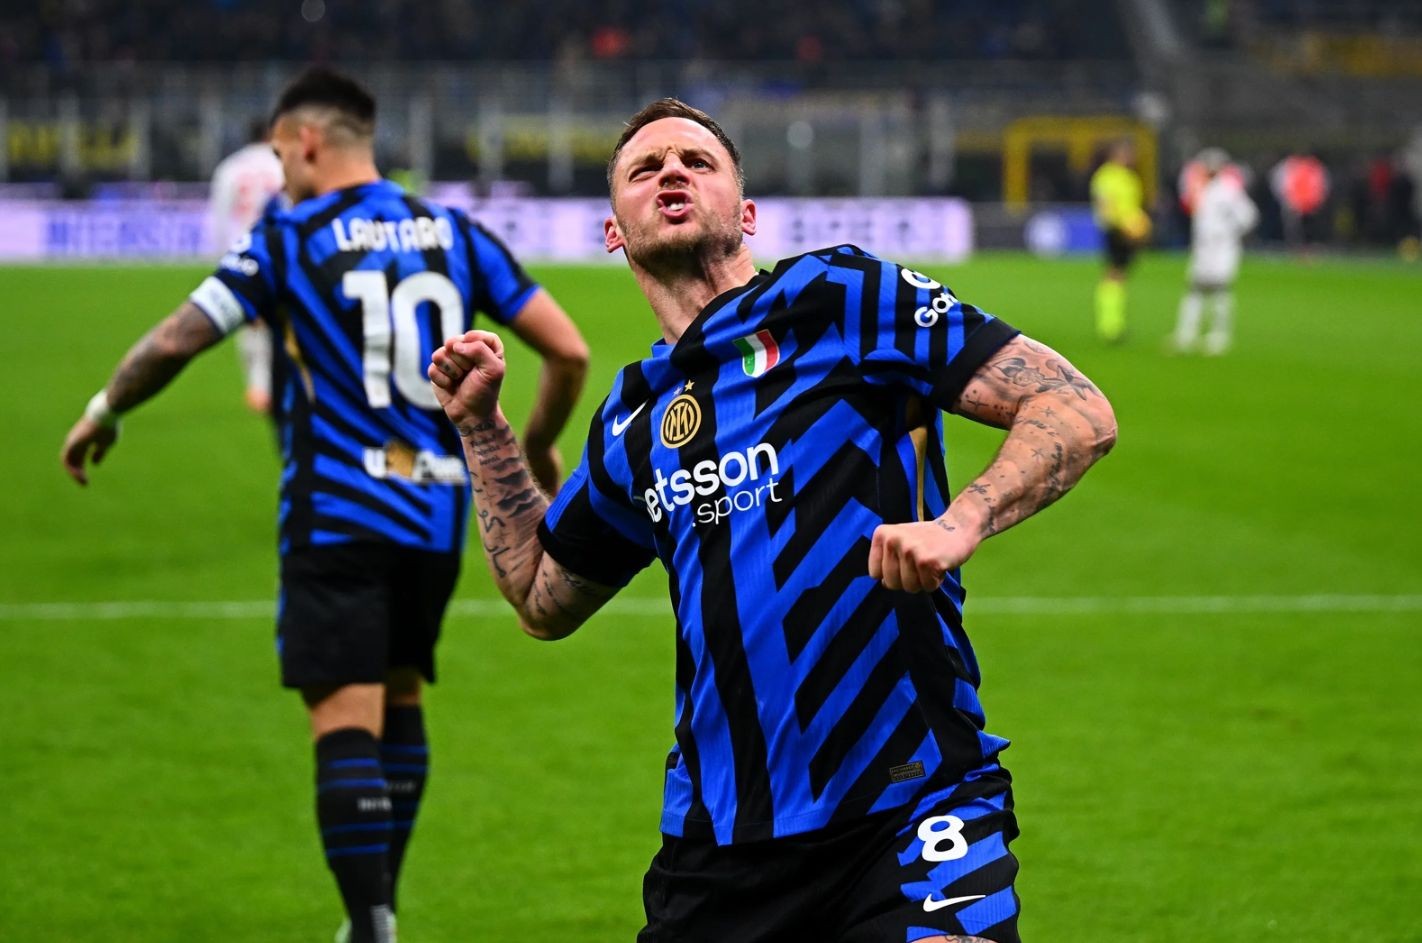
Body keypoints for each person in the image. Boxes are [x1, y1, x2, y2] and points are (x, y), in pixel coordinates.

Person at [429, 99, 1117, 943]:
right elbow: (540, 596)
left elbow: (1075, 408)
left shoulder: (840, 298)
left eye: (696, 162)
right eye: (645, 169)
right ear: (614, 232)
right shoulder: (634, 419)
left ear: (746, 213)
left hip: (912, 808)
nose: (671, 173)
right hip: (719, 850)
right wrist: (481, 426)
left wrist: (961, 520)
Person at [60, 67, 589, 943]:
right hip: (436, 512)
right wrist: (534, 449)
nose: (280, 173)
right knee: (401, 699)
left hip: (338, 509)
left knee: (344, 716)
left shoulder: (291, 234)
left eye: (279, 156)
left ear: (306, 142)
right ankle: (377, 916)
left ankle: (369, 924)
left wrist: (104, 409)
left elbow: (179, 337)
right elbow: (568, 351)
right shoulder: (454, 230)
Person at [209, 118, 287, 416]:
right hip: (279, 251)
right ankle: (279, 384)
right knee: (281, 321)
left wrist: (222, 258)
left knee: (249, 322)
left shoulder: (230, 167)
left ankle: (257, 387)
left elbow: (219, 217)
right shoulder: (282, 164)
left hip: (243, 252)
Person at [1171, 148, 1258, 356]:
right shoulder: (1201, 187)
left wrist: (1228, 233)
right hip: (1202, 247)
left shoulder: (1229, 189)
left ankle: (1219, 335)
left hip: (1222, 247)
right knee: (1195, 288)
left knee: (1220, 289)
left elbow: (1248, 215)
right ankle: (1186, 333)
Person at [1089, 139, 1150, 343]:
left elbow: (1133, 206)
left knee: (1119, 274)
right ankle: (1110, 325)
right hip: (1116, 230)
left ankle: (1115, 323)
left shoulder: (1129, 176)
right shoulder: (1106, 176)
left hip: (1128, 230)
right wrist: (1120, 227)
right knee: (1114, 274)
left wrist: (1140, 225)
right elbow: (1104, 205)